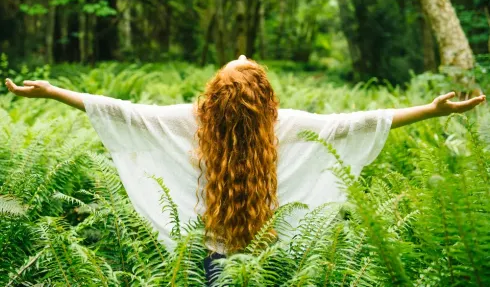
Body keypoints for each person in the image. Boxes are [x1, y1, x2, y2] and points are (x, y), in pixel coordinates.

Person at [5, 55, 486, 285]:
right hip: (267, 260)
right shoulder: (287, 126)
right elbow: (364, 122)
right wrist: (433, 110)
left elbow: (122, 111)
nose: (239, 54)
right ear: (265, 98)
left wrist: (53, 93)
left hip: (207, 263)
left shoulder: (192, 121)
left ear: (214, 98)